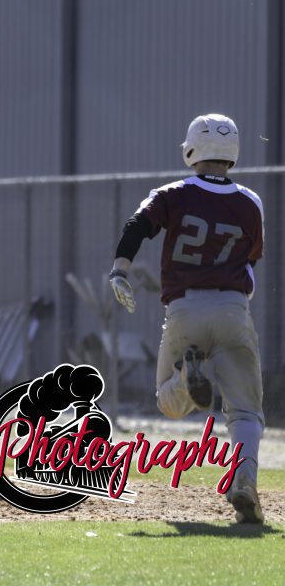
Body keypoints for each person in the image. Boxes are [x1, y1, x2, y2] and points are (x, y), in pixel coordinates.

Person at [108, 113, 265, 524]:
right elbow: (250, 263)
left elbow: (136, 226)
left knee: (169, 403)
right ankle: (244, 481)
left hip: (184, 309)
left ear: (192, 148)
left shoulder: (172, 194)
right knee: (245, 412)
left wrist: (120, 271)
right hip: (233, 308)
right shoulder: (250, 201)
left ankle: (184, 379)